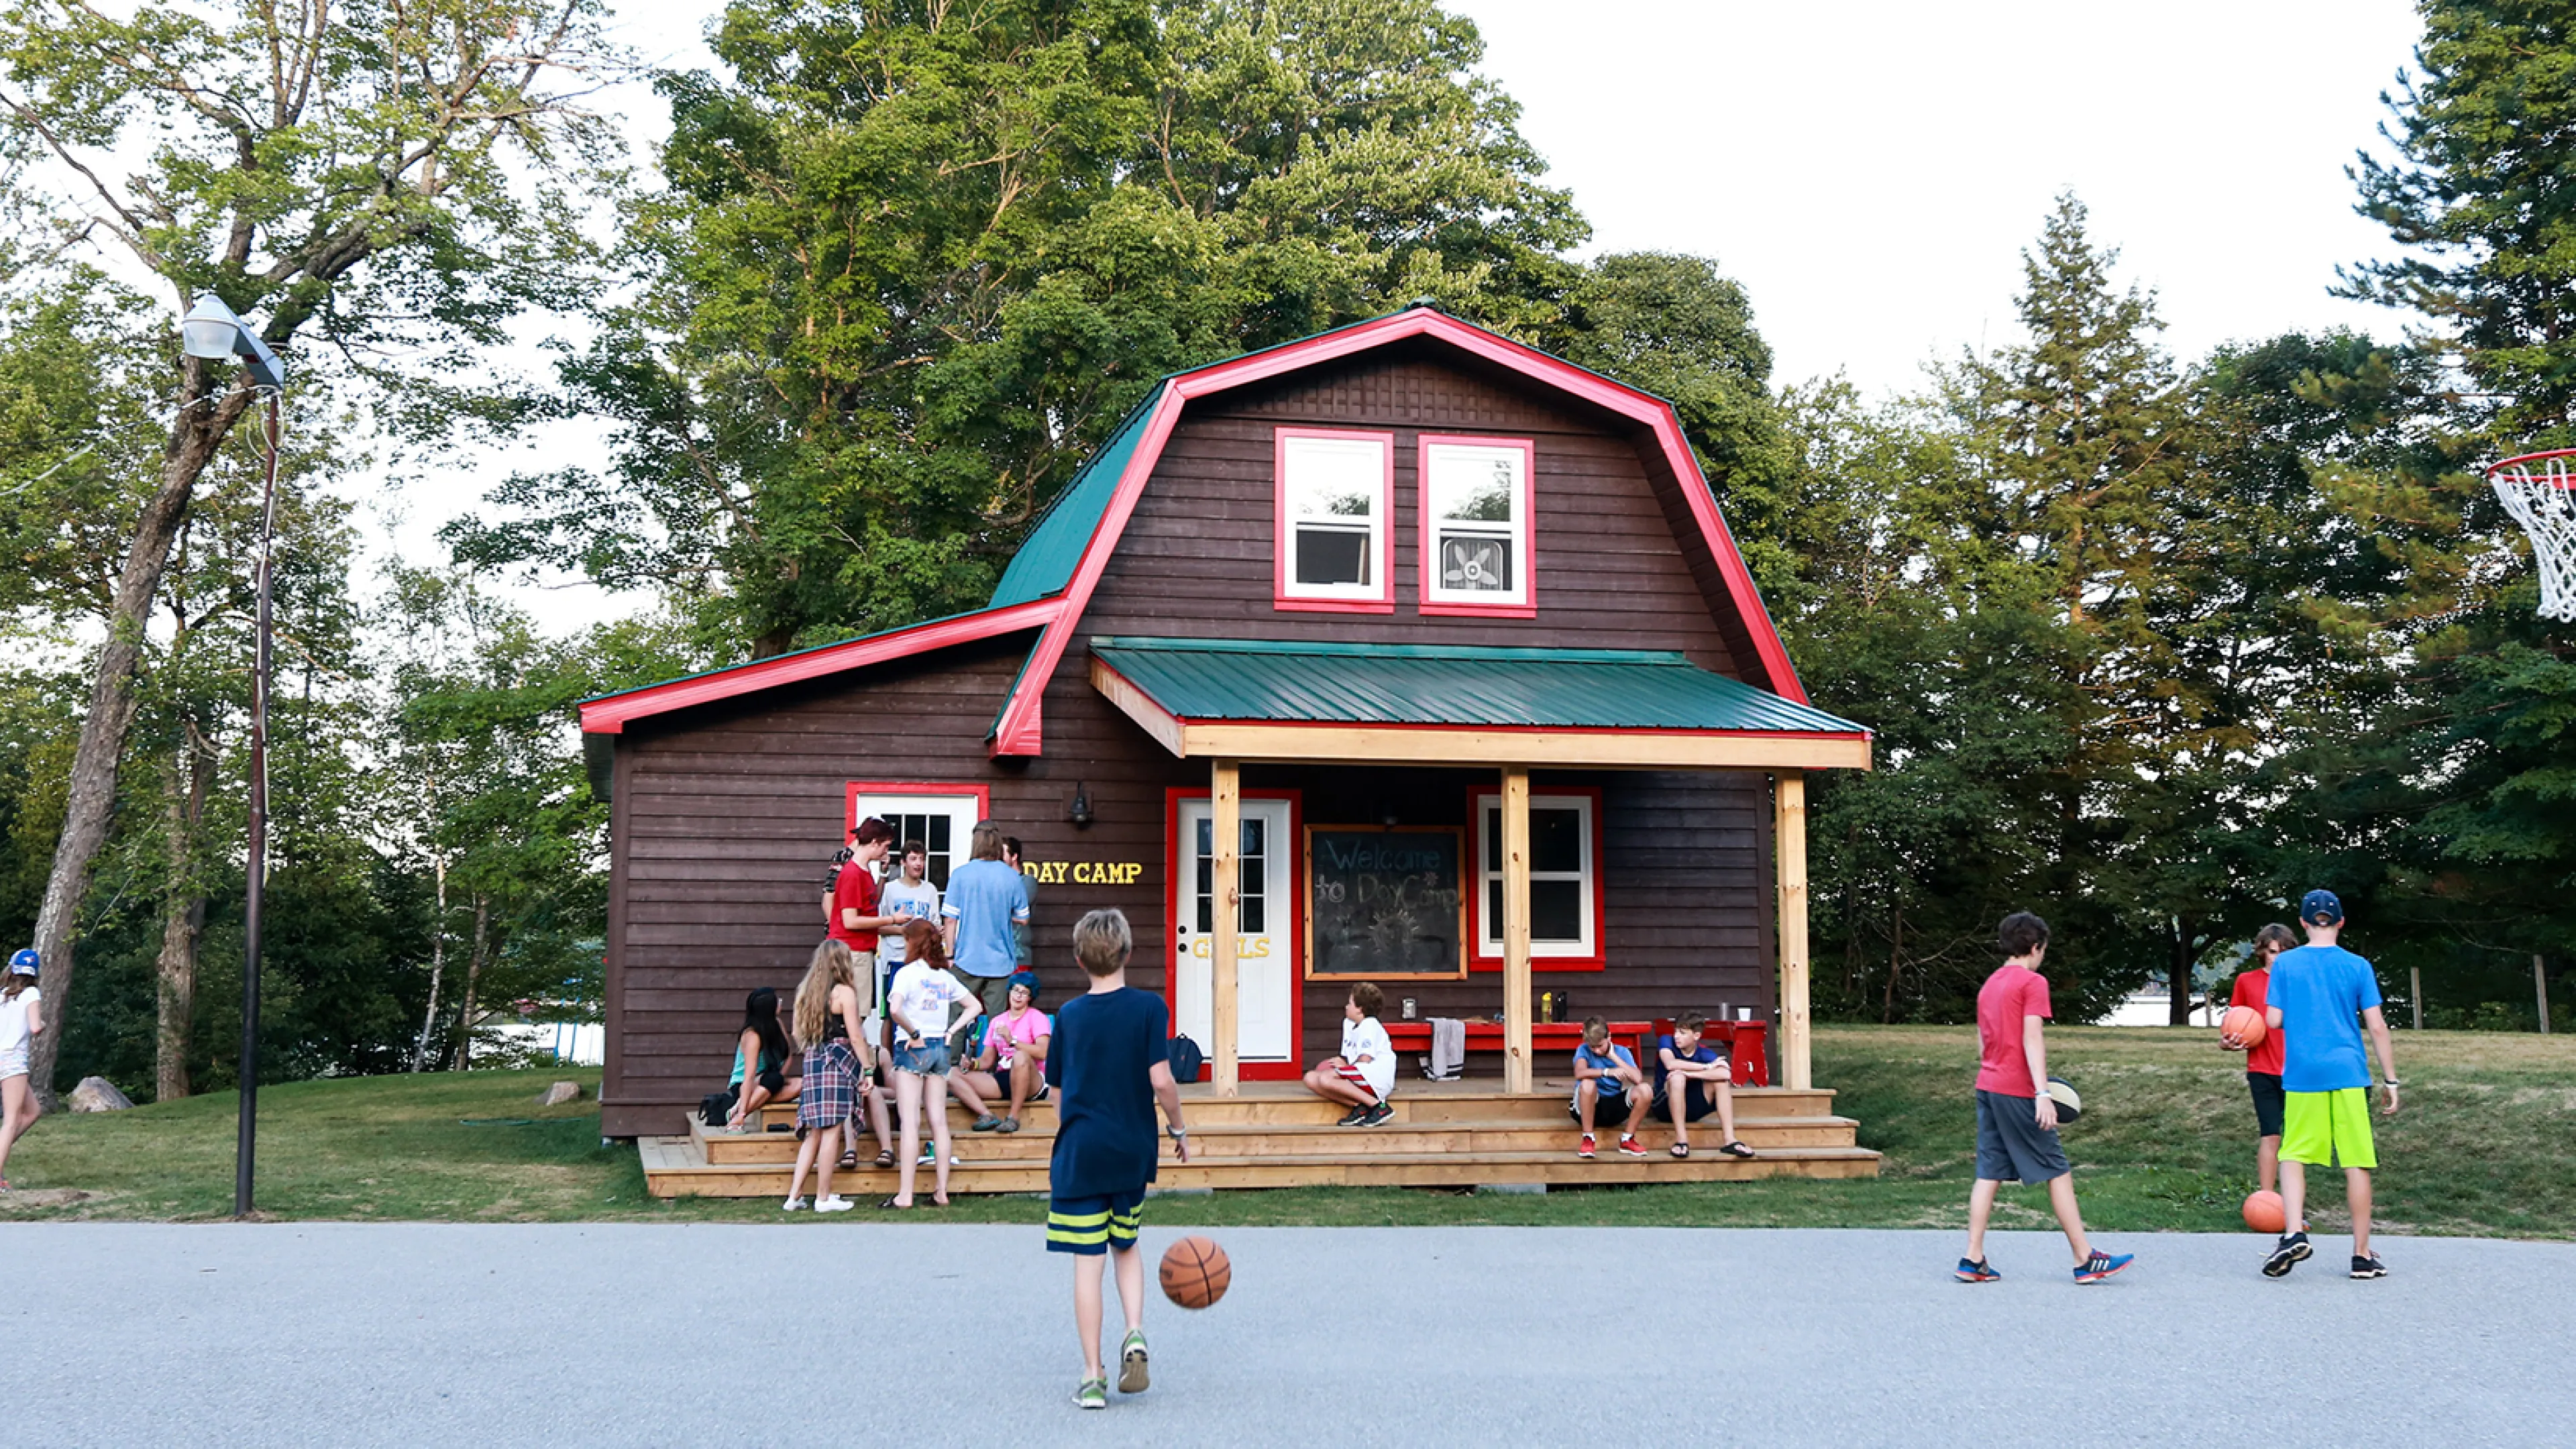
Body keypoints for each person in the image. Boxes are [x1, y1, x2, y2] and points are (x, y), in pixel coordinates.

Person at [1044, 908, 1189, 1410]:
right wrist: (1178, 1127)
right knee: (1125, 1247)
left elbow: (1056, 1094)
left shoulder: (1067, 1016)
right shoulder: (1150, 1008)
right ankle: (1134, 1333)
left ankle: (1091, 1376)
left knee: (1088, 1266)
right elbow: (1162, 1080)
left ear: (1080, 958)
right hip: (1132, 1150)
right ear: (1128, 952)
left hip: (1081, 1153)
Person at [1957, 911, 2133, 1285]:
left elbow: (1982, 1040)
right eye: (2043, 950)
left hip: (1988, 1084)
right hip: (2017, 1089)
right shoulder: (2031, 982)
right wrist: (2041, 1092)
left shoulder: (1990, 984)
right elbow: (2032, 1037)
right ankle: (2085, 1258)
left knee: (1989, 1171)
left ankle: (1972, 1258)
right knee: (2057, 1169)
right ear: (2036, 947)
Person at [2262, 890, 2400, 1281]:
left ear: (2304, 923)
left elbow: (2272, 1021)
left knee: (2293, 1154)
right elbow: (2376, 1026)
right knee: (2356, 1160)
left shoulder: (2286, 964)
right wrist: (2391, 1080)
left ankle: (2292, 1233)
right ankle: (2361, 1255)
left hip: (2304, 1072)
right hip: (2349, 1072)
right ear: (2340, 922)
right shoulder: (2358, 966)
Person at [887, 918, 980, 1208]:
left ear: (912, 941)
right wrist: (952, 1031)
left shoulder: (906, 973)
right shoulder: (943, 976)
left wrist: (913, 1032)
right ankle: (941, 1191)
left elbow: (895, 1009)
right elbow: (975, 1006)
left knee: (912, 1121)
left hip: (913, 1047)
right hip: (940, 1047)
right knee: (938, 1120)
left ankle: (906, 1194)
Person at [782, 941, 867, 1213]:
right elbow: (855, 1035)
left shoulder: (806, 992)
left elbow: (798, 1034)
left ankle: (794, 1197)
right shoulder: (844, 992)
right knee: (832, 1130)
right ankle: (823, 1197)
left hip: (814, 1059)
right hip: (838, 1061)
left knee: (814, 1132)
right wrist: (867, 1069)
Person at [2221, 923, 2298, 1195]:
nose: (2279, 958)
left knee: (2295, 1143)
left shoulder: (2299, 981)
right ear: (2263, 952)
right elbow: (2234, 1026)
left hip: (2297, 1071)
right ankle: (2266, 1199)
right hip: (2262, 1070)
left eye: (2285, 952)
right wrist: (2228, 1043)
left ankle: (2293, 1207)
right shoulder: (2247, 981)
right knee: (2271, 1136)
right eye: (2274, 952)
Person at [943, 820, 1032, 1019]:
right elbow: (1023, 918)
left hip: (966, 959)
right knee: (998, 1021)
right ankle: (994, 1052)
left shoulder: (960, 875)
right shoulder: (1012, 877)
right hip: (1000, 962)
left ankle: (955, 1051)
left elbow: (950, 920)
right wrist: (999, 912)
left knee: (957, 1018)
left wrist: (950, 954)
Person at [951, 969, 1050, 1134]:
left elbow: (1043, 1052)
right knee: (951, 1074)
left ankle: (1013, 1117)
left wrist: (1013, 1041)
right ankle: (986, 1115)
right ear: (1009, 991)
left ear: (1030, 998)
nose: (1018, 996)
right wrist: (972, 1064)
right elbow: (987, 1060)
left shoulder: (1037, 1017)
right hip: (1003, 1078)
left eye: (1024, 993)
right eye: (1016, 990)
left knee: (1020, 1057)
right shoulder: (998, 1021)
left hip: (1033, 1081)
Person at [1654, 1012, 1754, 1159]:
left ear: (1696, 1036)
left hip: (1691, 1108)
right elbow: (1670, 1064)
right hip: (1664, 1107)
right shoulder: (1666, 1041)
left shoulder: (1704, 1053)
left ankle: (1730, 1140)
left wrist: (1692, 1074)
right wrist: (1707, 1068)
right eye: (1676, 1031)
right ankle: (1681, 1141)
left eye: (1682, 1033)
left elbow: (1726, 1075)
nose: (1676, 1036)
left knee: (1721, 1083)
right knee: (1677, 1077)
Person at [1299, 981, 1395, 1127]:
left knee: (1326, 1078)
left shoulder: (1370, 1024)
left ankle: (1379, 1107)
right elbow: (1347, 1056)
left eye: (1350, 1003)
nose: (1346, 1006)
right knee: (1311, 1078)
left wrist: (1345, 1069)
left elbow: (1365, 1059)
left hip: (1376, 1077)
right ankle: (1360, 1106)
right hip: (1360, 1073)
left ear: (1359, 1010)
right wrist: (1341, 1064)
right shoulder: (1349, 1024)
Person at [1569, 1017, 1651, 1159]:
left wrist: (1614, 1057)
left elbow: (1638, 1079)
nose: (1597, 1051)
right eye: (1592, 1047)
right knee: (1588, 1083)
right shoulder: (1583, 1050)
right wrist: (1607, 1072)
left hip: (1613, 1106)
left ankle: (1627, 1139)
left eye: (1600, 1046)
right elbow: (1579, 1073)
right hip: (1588, 1106)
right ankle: (1588, 1138)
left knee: (1645, 1090)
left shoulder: (1622, 1052)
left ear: (1609, 1037)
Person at [723, 987, 800, 1131]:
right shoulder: (752, 1035)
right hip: (743, 1087)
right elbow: (749, 1076)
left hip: (768, 1082)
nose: (781, 1003)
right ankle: (738, 1115)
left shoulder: (777, 1025)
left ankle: (743, 1105)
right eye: (778, 1001)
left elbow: (788, 1055)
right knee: (773, 1079)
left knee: (801, 1084)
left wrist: (777, 1080)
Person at [877, 839, 941, 1010]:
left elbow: (936, 926)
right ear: (903, 862)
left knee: (919, 1010)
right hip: (895, 959)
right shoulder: (891, 890)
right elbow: (879, 926)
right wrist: (904, 930)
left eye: (921, 859)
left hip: (923, 961)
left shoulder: (930, 890)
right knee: (891, 1013)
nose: (918, 864)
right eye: (913, 859)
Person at [1, 949, 45, 1192]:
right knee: (12, 1120)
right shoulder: (31, 994)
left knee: (32, 1111)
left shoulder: (3, 995)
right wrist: (43, 1023)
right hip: (13, 1060)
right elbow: (36, 1027)